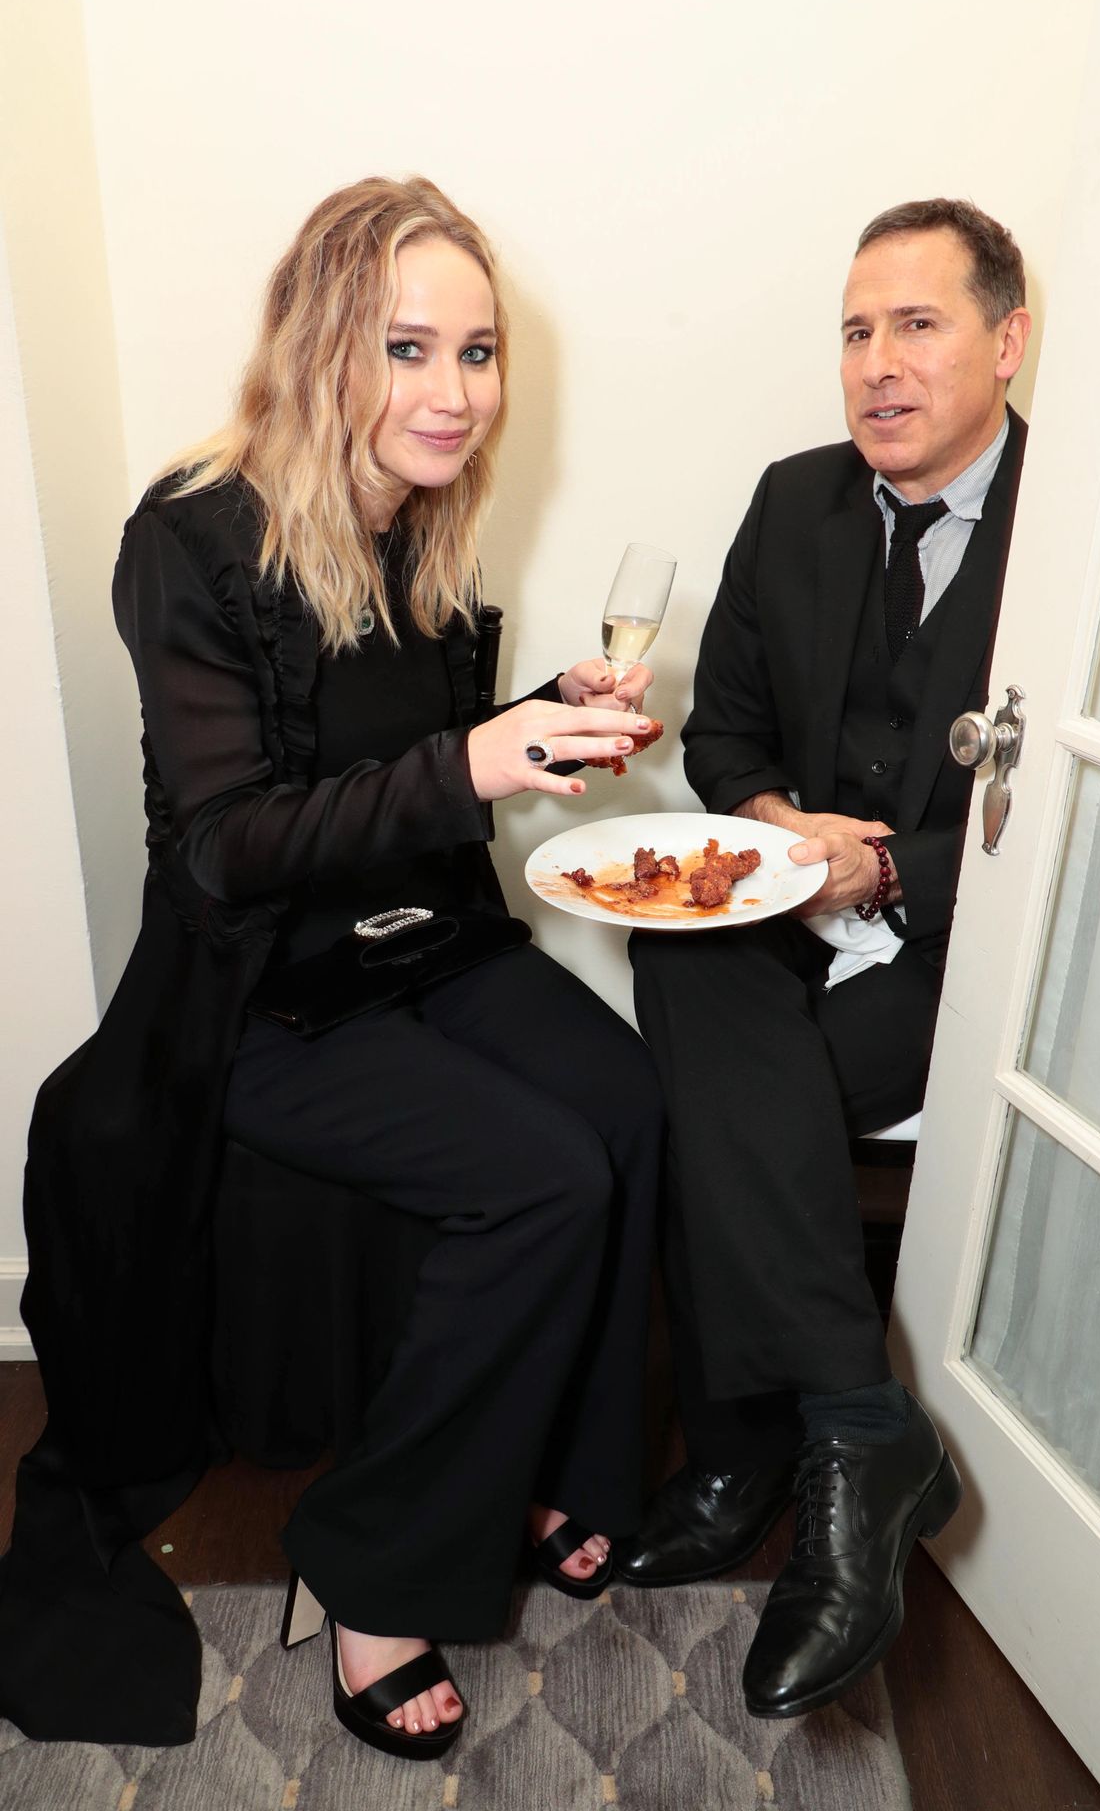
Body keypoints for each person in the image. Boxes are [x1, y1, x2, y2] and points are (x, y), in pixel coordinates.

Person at [0, 176, 664, 1760]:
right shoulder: (194, 539)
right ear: (322, 349)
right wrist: (477, 769)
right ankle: (373, 1566)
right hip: (262, 996)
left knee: (630, 1102)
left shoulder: (422, 517)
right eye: (409, 349)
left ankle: (564, 1463)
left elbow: (420, 765)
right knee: (543, 1178)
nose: (453, 393)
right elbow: (226, 846)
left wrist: (542, 714)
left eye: (479, 353)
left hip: (422, 941)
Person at [621, 199, 1031, 1717]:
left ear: (1007, 337)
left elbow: (1078, 801)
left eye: (915, 326)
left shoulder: (1086, 526)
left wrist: (892, 867)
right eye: (855, 331)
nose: (876, 365)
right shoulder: (791, 498)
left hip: (954, 952)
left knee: (706, 1089)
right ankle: (857, 1423)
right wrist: (777, 824)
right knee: (681, 962)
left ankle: (741, 1452)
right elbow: (722, 729)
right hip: (796, 917)